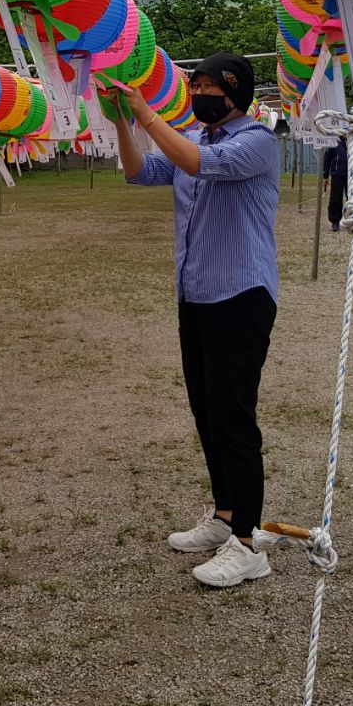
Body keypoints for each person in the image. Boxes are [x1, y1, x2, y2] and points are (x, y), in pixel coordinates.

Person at [104, 52, 280, 588]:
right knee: (206, 410)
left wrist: (149, 115)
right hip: (197, 295)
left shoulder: (257, 142)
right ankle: (225, 515)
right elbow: (140, 172)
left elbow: (197, 165)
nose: (197, 92)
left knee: (233, 417)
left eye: (207, 84)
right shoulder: (195, 141)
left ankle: (249, 544)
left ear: (234, 92)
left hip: (240, 295)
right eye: (194, 82)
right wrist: (121, 123)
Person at [324, 137, 348, 232]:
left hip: (352, 173)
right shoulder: (333, 140)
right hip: (337, 173)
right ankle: (335, 220)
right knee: (336, 197)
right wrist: (325, 175)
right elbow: (327, 158)